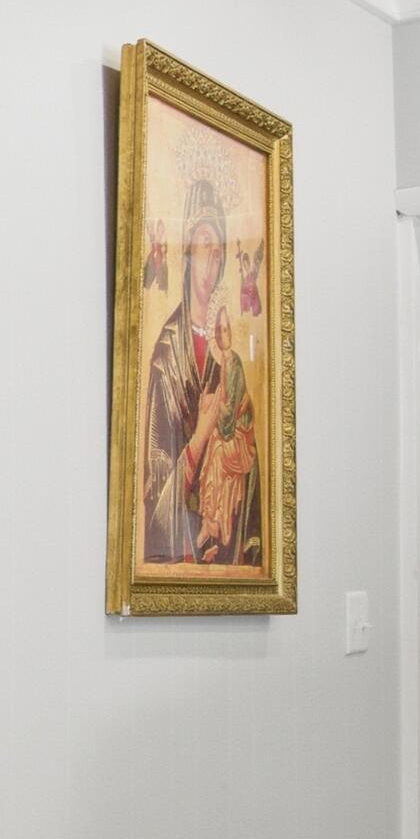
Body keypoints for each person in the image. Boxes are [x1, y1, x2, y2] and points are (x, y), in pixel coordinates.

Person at [140, 186, 261, 569]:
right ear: (188, 255)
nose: (212, 258)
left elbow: (250, 454)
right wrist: (201, 435)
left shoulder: (228, 355)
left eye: (219, 249)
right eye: (204, 244)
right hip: (182, 544)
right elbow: (156, 484)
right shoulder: (167, 354)